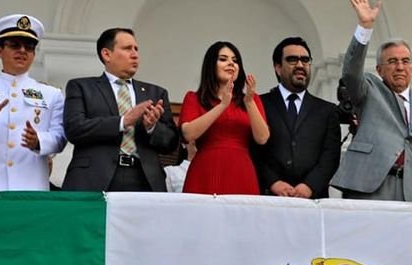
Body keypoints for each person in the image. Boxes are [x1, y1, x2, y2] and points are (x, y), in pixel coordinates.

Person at [330, 0, 412, 203]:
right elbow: (351, 71)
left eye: (405, 61)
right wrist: (365, 27)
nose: (400, 67)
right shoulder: (369, 90)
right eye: (392, 61)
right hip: (372, 189)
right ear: (379, 70)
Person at [0, 14, 66, 191]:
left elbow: (60, 138)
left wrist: (38, 140)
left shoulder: (51, 94)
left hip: (30, 186)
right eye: (14, 45)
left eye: (29, 47)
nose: (22, 51)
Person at [62, 28, 179, 191]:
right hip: (94, 177)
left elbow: (171, 143)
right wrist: (123, 121)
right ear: (106, 54)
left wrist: (151, 127)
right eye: (127, 48)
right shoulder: (81, 87)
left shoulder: (156, 93)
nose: (135, 54)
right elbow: (75, 129)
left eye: (136, 49)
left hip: (144, 179)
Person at [253, 37, 340, 198]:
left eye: (305, 60)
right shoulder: (259, 105)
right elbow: (252, 150)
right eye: (292, 60)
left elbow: (331, 156)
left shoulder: (327, 110)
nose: (300, 65)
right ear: (278, 68)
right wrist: (273, 182)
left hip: (313, 201)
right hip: (269, 197)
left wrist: (309, 186)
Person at [179, 41, 269, 195]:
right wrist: (222, 105)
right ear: (210, 65)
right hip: (205, 170)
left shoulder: (251, 99)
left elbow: (262, 138)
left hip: (241, 170)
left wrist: (249, 102)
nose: (231, 64)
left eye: (235, 61)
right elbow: (188, 133)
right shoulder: (194, 98)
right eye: (223, 59)